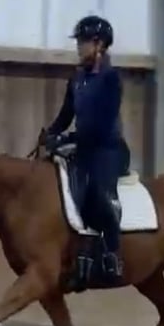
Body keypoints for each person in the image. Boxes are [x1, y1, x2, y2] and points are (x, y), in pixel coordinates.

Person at [41, 15, 130, 284]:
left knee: (98, 192)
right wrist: (51, 133)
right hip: (82, 147)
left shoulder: (111, 79)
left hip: (108, 149)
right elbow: (66, 114)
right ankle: (75, 253)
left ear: (99, 44)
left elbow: (101, 123)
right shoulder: (77, 78)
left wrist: (70, 138)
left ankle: (112, 253)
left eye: (83, 42)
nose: (79, 47)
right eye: (78, 42)